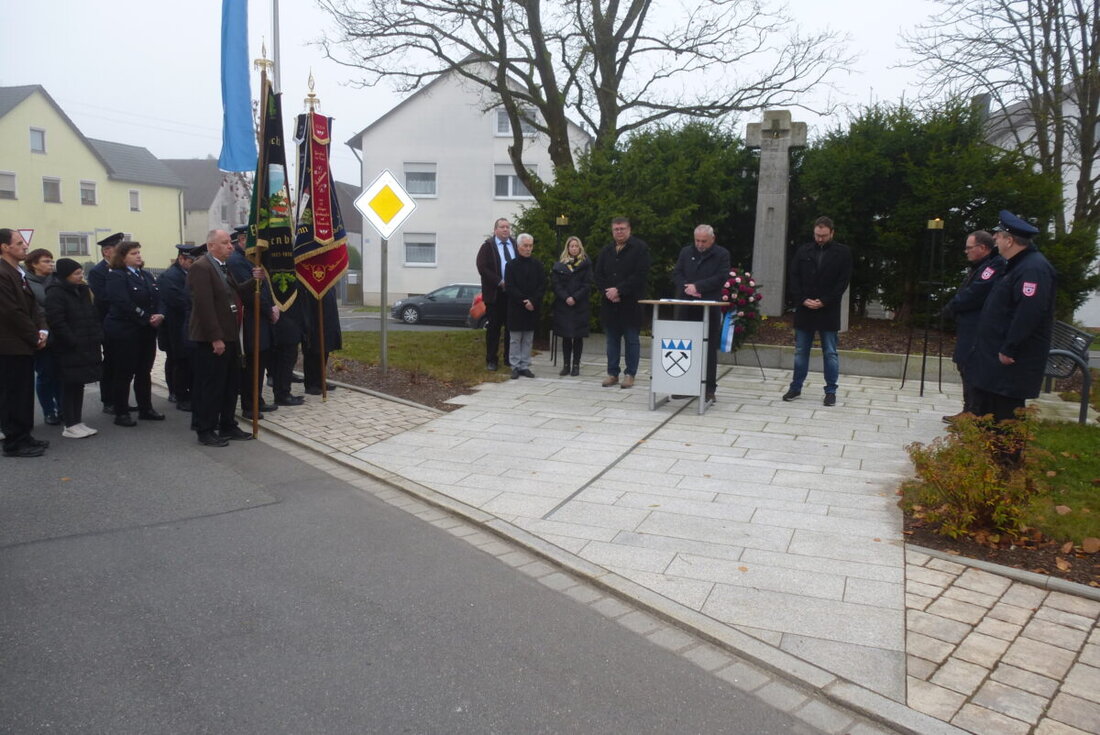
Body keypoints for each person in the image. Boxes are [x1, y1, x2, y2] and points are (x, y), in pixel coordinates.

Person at [964, 210, 1056, 423]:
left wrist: (1010, 347)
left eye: (999, 235)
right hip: (996, 360)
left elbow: (1030, 311)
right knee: (990, 412)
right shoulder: (1017, 265)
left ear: (1010, 240)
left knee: (1005, 417)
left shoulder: (1033, 269)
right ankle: (990, 454)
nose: (994, 239)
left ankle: (1005, 457)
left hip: (1010, 363)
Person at [187, 229, 263, 447]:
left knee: (230, 383)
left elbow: (235, 292)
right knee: (212, 386)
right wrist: (215, 338)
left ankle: (228, 423)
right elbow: (204, 306)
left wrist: (253, 280)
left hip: (230, 334)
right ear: (211, 246)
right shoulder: (201, 268)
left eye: (230, 243)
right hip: (213, 338)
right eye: (225, 243)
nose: (230, 246)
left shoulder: (222, 267)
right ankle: (206, 429)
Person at [783, 216, 853, 406]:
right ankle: (795, 387)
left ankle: (831, 391)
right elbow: (794, 276)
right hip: (804, 308)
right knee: (800, 351)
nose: (820, 239)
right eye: (817, 235)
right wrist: (802, 299)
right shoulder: (803, 250)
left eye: (823, 235)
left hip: (828, 310)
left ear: (832, 233)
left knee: (830, 352)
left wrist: (824, 301)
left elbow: (842, 282)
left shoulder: (843, 253)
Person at [940, 230, 1004, 422]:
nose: (965, 251)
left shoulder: (992, 266)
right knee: (964, 364)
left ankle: (974, 412)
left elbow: (975, 292)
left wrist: (952, 306)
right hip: (969, 324)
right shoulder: (981, 265)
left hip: (977, 325)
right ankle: (968, 409)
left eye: (969, 248)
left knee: (970, 366)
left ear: (982, 248)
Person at [103, 241, 165, 426]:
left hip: (146, 331)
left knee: (144, 371)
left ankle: (145, 408)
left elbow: (158, 297)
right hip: (125, 330)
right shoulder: (117, 276)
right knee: (124, 372)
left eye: (139, 252)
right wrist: (146, 316)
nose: (138, 255)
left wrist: (160, 314)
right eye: (133, 253)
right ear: (122, 257)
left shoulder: (146, 275)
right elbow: (122, 302)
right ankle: (121, 412)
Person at [0, 228, 50, 457]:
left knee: (23, 393)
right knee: (13, 394)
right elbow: (11, 311)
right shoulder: (2, 273)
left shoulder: (17, 271)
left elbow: (34, 306)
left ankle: (25, 435)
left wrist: (42, 330)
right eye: (19, 243)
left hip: (25, 342)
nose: (24, 247)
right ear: (4, 247)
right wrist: (33, 336)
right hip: (10, 345)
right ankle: (14, 442)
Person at [672, 225, 732, 403]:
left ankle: (709, 388)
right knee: (685, 347)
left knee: (708, 348)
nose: (700, 244)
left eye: (703, 241)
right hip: (686, 305)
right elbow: (677, 273)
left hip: (708, 306)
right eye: (697, 240)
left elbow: (721, 277)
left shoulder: (722, 254)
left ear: (712, 239)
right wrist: (687, 288)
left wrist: (698, 287)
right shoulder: (685, 252)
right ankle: (686, 386)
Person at [45, 258, 103, 438]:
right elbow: (57, 321)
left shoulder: (83, 291)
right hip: (68, 348)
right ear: (65, 275)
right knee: (69, 385)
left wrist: (96, 337)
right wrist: (72, 341)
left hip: (87, 345)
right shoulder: (55, 293)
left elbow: (93, 315)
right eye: (76, 274)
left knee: (79, 385)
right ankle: (70, 424)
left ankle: (77, 421)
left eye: (80, 273)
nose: (80, 276)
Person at [228, 227, 280, 416]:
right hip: (251, 321)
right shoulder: (237, 261)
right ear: (243, 240)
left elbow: (265, 286)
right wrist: (269, 310)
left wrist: (272, 306)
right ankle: (249, 405)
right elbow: (249, 294)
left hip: (261, 318)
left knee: (260, 362)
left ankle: (257, 399)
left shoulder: (251, 259)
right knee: (252, 365)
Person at [594, 217, 651, 388]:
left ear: (629, 229)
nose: (619, 232)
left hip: (631, 303)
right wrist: (609, 292)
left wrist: (619, 290)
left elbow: (640, 275)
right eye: (616, 229)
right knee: (612, 340)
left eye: (622, 229)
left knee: (632, 340)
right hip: (610, 304)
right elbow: (598, 275)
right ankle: (612, 373)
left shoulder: (640, 249)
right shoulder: (606, 250)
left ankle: (630, 374)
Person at [157, 244, 201, 412]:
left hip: (189, 324)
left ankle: (186, 392)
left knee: (187, 361)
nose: (192, 263)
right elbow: (178, 300)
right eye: (190, 260)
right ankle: (178, 394)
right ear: (181, 259)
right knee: (178, 361)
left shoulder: (191, 273)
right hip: (175, 326)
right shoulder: (170, 277)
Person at [87, 232, 124, 415]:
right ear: (107, 252)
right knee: (110, 363)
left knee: (122, 364)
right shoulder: (97, 272)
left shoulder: (122, 269)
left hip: (124, 324)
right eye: (119, 249)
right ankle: (108, 400)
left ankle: (120, 400)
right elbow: (103, 298)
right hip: (107, 323)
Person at [24, 248, 63, 425]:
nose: (51, 264)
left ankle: (63, 407)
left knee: (61, 373)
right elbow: (33, 309)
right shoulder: (25, 282)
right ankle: (49, 410)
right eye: (46, 261)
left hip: (60, 331)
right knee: (46, 373)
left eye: (51, 260)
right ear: (34, 264)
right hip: (41, 333)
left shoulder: (57, 279)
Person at [475, 218, 516, 371]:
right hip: (495, 294)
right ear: (495, 230)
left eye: (507, 227)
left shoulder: (514, 245)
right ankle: (491, 360)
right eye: (502, 227)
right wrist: (499, 281)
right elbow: (482, 267)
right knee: (494, 328)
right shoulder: (488, 247)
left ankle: (509, 358)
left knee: (511, 328)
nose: (505, 229)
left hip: (512, 294)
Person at [550, 236, 593, 377]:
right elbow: (556, 285)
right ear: (567, 248)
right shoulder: (560, 265)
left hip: (579, 305)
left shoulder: (585, 264)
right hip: (564, 305)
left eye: (576, 246)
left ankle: (576, 365)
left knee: (578, 336)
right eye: (571, 246)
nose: (574, 248)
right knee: (566, 336)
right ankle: (566, 365)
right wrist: (566, 297)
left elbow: (587, 284)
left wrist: (575, 297)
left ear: (580, 248)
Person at [505, 233, 546, 379]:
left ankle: (525, 365)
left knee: (528, 338)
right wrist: (524, 300)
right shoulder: (511, 265)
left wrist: (533, 301)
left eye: (530, 246)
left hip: (532, 307)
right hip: (516, 307)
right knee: (515, 339)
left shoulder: (538, 265)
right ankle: (515, 366)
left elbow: (542, 285)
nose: (528, 249)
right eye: (525, 246)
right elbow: (510, 287)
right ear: (518, 247)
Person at [302, 287, 342, 395]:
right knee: (313, 351)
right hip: (313, 317)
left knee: (325, 348)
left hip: (327, 316)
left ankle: (320, 381)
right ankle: (311, 384)